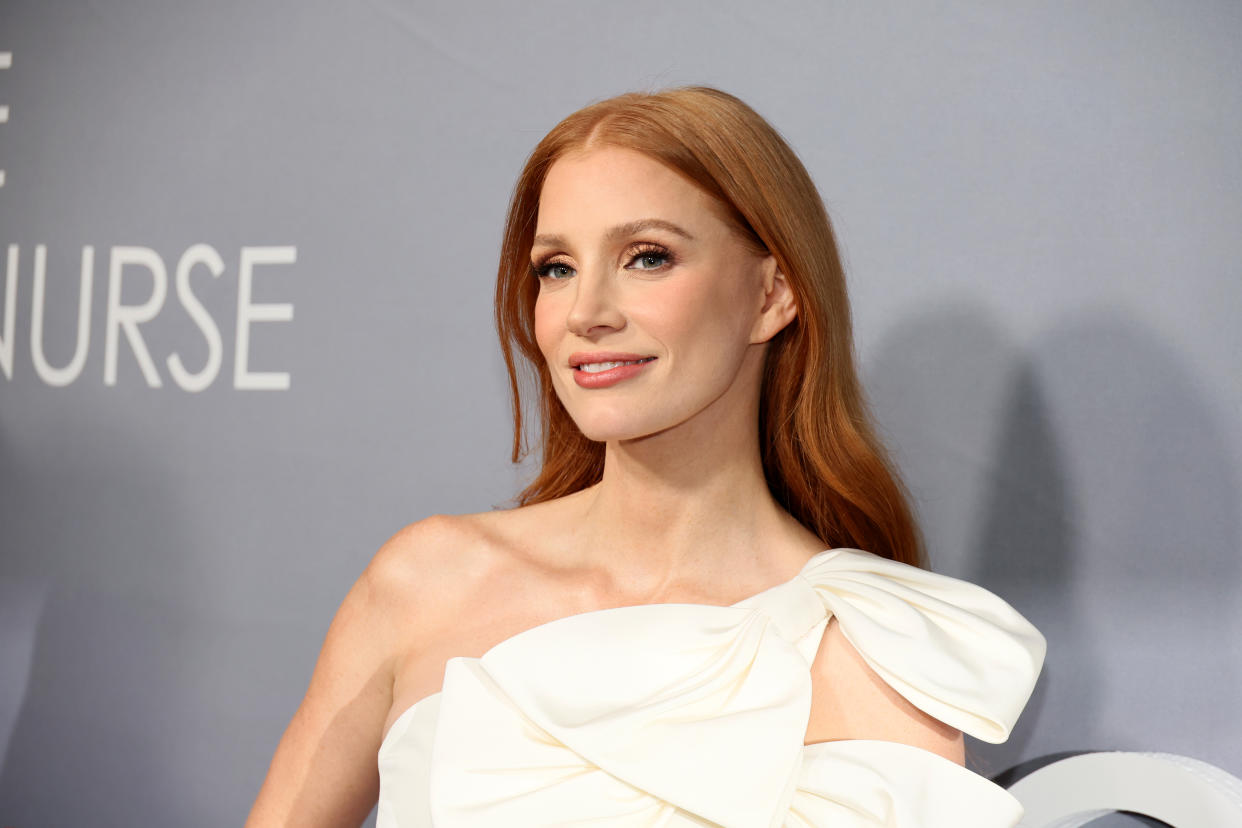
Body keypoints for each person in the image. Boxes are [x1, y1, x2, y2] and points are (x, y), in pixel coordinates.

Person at [246, 86, 1046, 827]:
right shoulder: (426, 585)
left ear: (772, 294)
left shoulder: (875, 653)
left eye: (647, 257)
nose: (586, 313)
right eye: (556, 269)